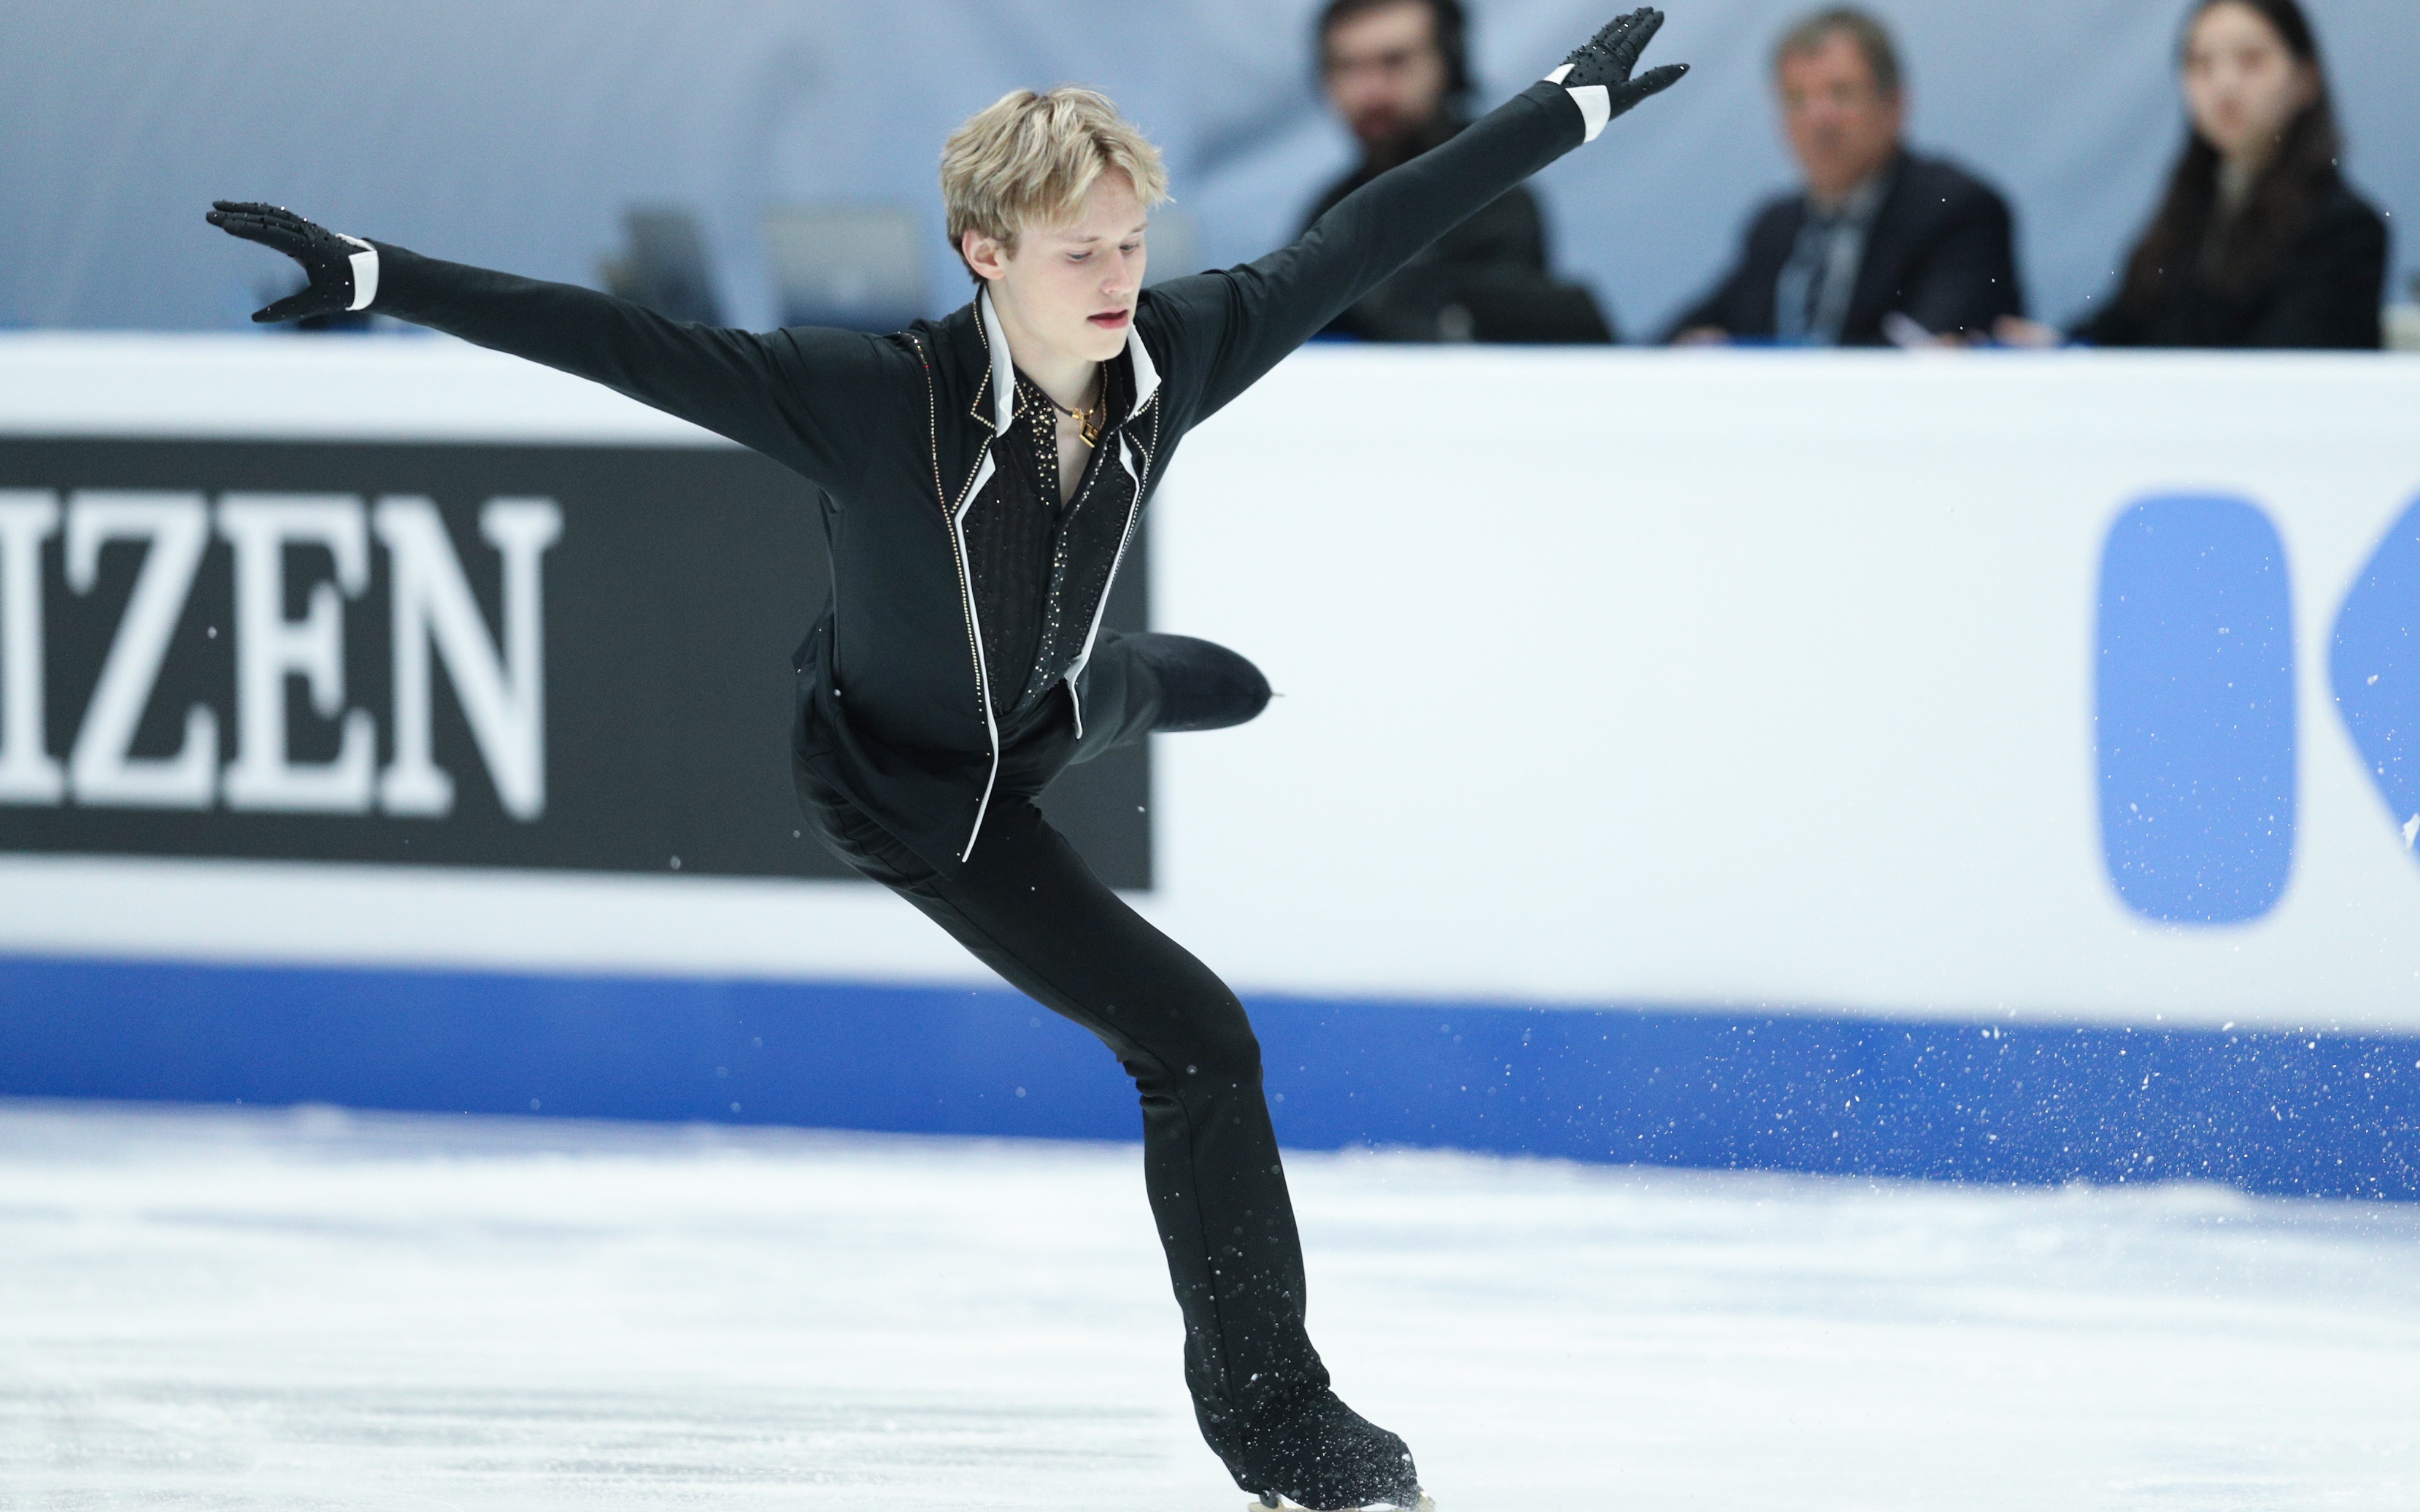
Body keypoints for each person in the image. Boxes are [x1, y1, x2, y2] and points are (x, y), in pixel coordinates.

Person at [208, 12, 1687, 1510]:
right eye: (1078, 252)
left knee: (1118, 691)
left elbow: (1358, 239)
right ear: (985, 251)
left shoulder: (1170, 352)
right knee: (1197, 1041)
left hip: (1036, 698)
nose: (1117, 279)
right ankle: (1279, 1425)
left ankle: (1131, 683)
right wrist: (379, 278)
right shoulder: (874, 401)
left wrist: (1560, 112)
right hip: (907, 784)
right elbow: (626, 344)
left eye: (1130, 243)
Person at [2015, 0, 2386, 350]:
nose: (2225, 84)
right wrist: (2054, 347)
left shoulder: (2347, 230)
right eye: (2202, 65)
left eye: (2251, 61)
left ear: (2306, 80)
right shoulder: (2188, 211)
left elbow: (2285, 369)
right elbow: (2122, 325)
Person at [1665, 7, 2023, 346]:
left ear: (1894, 104)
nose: (1818, 119)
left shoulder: (1957, 212)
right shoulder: (1775, 227)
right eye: (1797, 99)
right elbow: (1676, 343)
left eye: (1842, 94)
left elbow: (1923, 354)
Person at [1304, 0, 1618, 343]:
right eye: (1347, 67)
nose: (1371, 92)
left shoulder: (1498, 201)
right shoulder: (1329, 213)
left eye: (1395, 62)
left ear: (1448, 64)